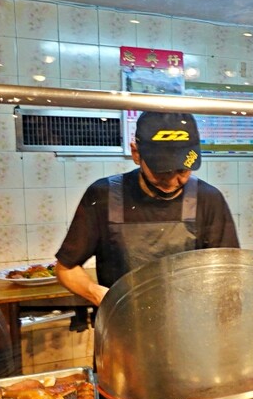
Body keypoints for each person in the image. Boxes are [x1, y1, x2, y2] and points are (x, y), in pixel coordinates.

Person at [55, 111, 239, 310]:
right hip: (124, 321)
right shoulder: (103, 195)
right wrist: (101, 296)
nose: (172, 180)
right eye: (161, 171)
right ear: (136, 153)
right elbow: (66, 268)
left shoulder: (208, 199)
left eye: (182, 170)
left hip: (190, 321)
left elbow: (229, 273)